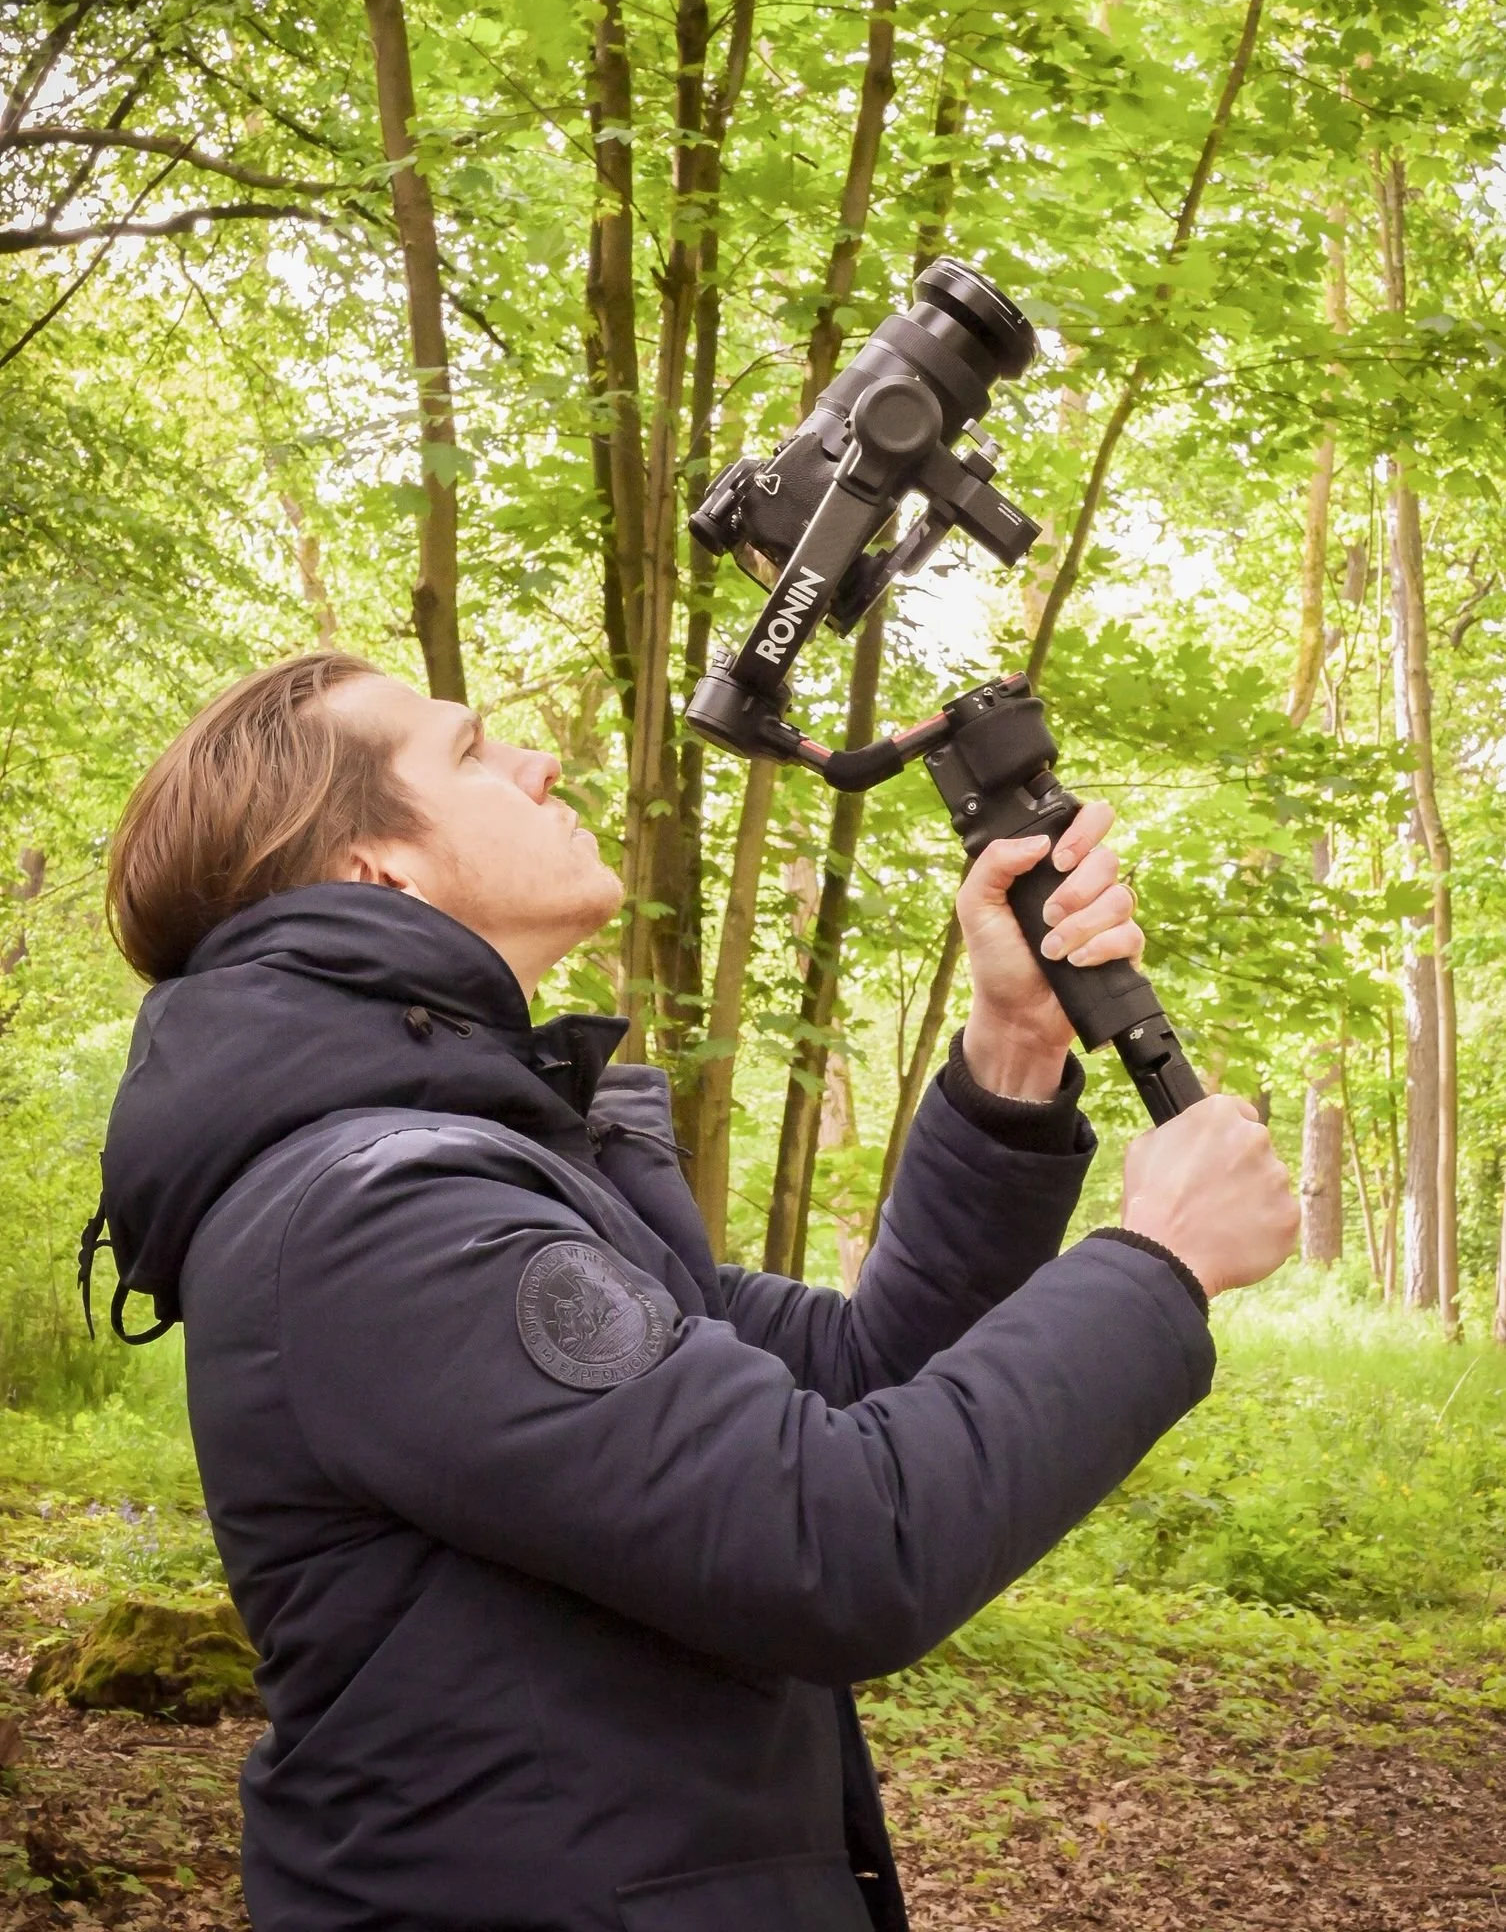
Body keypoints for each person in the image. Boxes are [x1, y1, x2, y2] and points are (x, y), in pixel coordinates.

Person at [92, 650, 1296, 1932]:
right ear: (374, 870)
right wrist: (1154, 1263)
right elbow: (832, 1539)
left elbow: (854, 1381)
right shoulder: (373, 1217)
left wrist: (1014, 1047)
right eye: (471, 751)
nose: (538, 761)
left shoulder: (489, 1170)